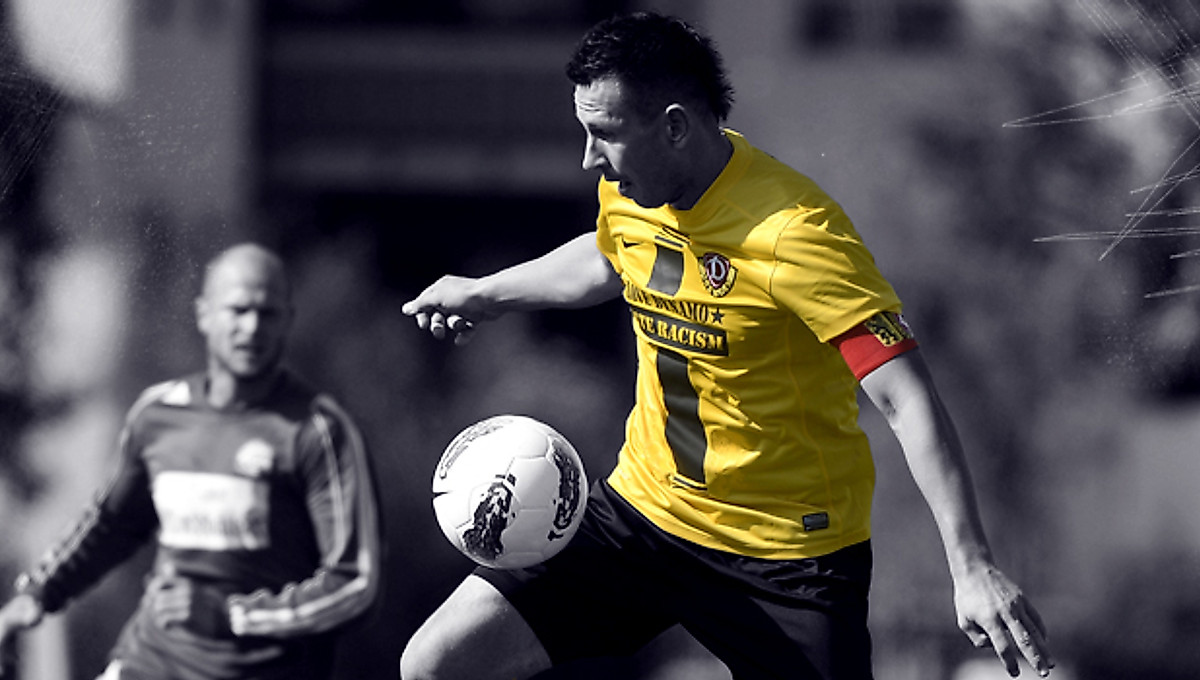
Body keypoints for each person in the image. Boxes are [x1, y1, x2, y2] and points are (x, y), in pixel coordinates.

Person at [399, 11, 1052, 680]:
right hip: (643, 516)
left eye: (606, 135)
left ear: (675, 127)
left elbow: (905, 397)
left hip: (787, 559)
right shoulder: (630, 189)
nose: (589, 158)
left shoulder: (796, 232)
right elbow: (610, 258)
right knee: (434, 663)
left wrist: (971, 565)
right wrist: (488, 293)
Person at [0, 243, 383, 680]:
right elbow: (111, 524)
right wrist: (37, 594)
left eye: (268, 313)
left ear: (287, 320)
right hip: (151, 662)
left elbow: (355, 585)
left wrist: (231, 615)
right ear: (204, 314)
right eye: (239, 309)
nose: (252, 326)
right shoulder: (157, 414)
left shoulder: (319, 431)